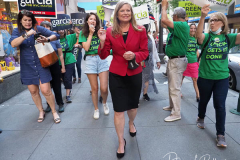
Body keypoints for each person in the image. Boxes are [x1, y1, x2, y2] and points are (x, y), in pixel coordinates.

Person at [98, 1, 149, 158]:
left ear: (131, 12)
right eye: (122, 11)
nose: (126, 13)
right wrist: (101, 40)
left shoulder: (140, 30)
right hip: (116, 74)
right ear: (117, 14)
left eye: (128, 10)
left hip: (134, 73)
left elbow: (145, 52)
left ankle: (131, 123)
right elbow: (103, 55)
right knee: (119, 110)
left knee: (132, 108)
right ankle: (121, 141)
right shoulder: (110, 30)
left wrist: (135, 55)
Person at [196, 4, 240, 147]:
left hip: (221, 78)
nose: (213, 22)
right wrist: (203, 16)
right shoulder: (207, 37)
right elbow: (199, 37)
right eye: (211, 20)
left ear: (223, 23)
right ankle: (201, 117)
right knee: (203, 101)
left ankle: (220, 134)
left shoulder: (229, 38)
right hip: (205, 77)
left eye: (216, 20)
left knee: (220, 105)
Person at [9, 10, 61, 123]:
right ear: (20, 21)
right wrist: (26, 34)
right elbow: (13, 43)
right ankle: (41, 111)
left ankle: (53, 111)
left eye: (29, 20)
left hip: (41, 64)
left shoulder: (38, 28)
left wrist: (47, 39)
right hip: (27, 66)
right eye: (25, 20)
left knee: (46, 90)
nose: (28, 22)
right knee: (33, 91)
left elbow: (56, 35)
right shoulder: (17, 31)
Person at [161, 0, 189, 122]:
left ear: (176, 16)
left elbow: (164, 21)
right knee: (172, 86)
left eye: (172, 16)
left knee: (174, 87)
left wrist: (164, 8)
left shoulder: (182, 25)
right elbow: (164, 24)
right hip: (174, 60)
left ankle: (176, 113)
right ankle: (172, 106)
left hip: (177, 61)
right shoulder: (178, 26)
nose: (171, 17)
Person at [79, 12, 109, 120]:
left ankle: (105, 103)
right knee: (95, 88)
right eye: (91, 19)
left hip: (101, 59)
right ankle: (96, 109)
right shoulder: (83, 33)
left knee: (104, 88)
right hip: (90, 60)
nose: (93, 21)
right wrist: (91, 34)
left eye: (95, 19)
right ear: (87, 21)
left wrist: (102, 40)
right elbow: (86, 48)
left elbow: (104, 47)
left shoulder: (101, 31)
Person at [40, 21, 66, 113]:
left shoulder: (55, 39)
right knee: (46, 87)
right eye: (44, 27)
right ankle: (49, 104)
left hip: (54, 64)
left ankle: (60, 103)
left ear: (50, 28)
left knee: (56, 85)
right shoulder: (37, 40)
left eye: (48, 26)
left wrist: (62, 67)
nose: (46, 28)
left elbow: (61, 54)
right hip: (43, 65)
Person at [58, 29, 78, 103]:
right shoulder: (55, 38)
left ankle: (67, 95)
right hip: (58, 61)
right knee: (62, 78)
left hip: (69, 60)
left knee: (68, 78)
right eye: (59, 30)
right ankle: (68, 88)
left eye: (63, 29)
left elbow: (79, 34)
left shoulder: (70, 37)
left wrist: (75, 28)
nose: (61, 31)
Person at [142, 24, 161, 101]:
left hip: (148, 61)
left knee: (146, 78)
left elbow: (154, 51)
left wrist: (158, 61)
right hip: (138, 61)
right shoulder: (136, 37)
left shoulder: (150, 38)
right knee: (138, 79)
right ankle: (135, 96)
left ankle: (145, 94)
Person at [181, 24, 200, 102]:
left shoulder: (195, 39)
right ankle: (178, 91)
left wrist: (199, 59)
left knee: (195, 79)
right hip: (185, 61)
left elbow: (196, 50)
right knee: (181, 78)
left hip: (193, 62)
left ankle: (198, 96)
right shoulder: (186, 37)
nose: (193, 30)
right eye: (191, 28)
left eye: (194, 28)